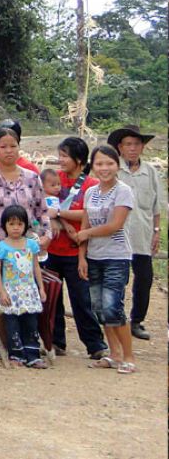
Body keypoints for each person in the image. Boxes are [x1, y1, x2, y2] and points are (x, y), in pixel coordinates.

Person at [0, 128, 51, 344]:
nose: (8, 151)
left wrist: (46, 237)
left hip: (27, 248)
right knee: (0, 294)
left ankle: (30, 343)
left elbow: (42, 211)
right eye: (3, 146)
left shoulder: (32, 178)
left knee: (30, 292)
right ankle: (9, 345)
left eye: (13, 146)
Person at [38, 137, 106, 359]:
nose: (61, 160)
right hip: (52, 250)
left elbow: (89, 214)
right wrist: (57, 219)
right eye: (60, 155)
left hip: (78, 251)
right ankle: (56, 341)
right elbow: (40, 204)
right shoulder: (53, 179)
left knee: (81, 300)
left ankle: (94, 344)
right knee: (53, 300)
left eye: (65, 155)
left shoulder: (90, 185)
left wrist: (59, 215)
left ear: (78, 159)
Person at [78, 146, 136, 374]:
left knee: (114, 307)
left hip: (117, 255)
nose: (104, 168)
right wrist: (82, 256)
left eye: (109, 163)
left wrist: (87, 234)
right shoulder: (90, 192)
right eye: (99, 164)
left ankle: (129, 356)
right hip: (94, 256)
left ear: (117, 164)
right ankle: (114, 354)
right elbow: (85, 224)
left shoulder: (123, 191)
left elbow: (115, 225)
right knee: (100, 308)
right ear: (93, 166)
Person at [109, 125, 164, 341]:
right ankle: (116, 319)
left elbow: (156, 205)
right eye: (128, 144)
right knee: (118, 278)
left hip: (142, 234)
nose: (132, 149)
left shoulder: (149, 171)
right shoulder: (113, 169)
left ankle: (137, 320)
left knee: (144, 278)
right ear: (120, 148)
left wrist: (157, 231)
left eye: (136, 144)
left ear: (142, 147)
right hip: (117, 234)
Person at [0, 205, 47, 368]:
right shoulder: (0, 247)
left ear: (25, 226)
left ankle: (33, 355)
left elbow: (36, 267)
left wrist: (41, 288)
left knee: (31, 322)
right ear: (4, 226)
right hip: (10, 292)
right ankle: (16, 355)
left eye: (19, 224)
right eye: (11, 224)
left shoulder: (31, 245)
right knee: (12, 323)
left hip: (29, 290)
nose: (16, 228)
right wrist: (1, 291)